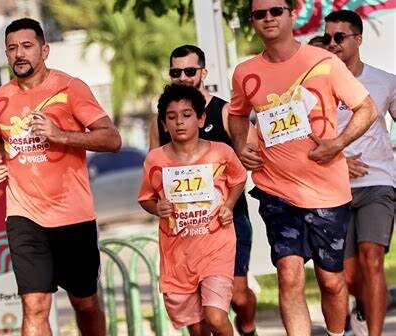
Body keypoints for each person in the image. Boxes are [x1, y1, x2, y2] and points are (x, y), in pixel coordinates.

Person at [227, 0, 378, 335]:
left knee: (332, 281)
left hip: (326, 191)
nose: (268, 18)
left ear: (291, 14)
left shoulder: (323, 62)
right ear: (252, 21)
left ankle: (339, 332)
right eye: (259, 14)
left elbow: (366, 109)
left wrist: (337, 144)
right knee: (289, 276)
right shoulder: (245, 72)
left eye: (275, 11)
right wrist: (241, 146)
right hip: (276, 190)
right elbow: (237, 114)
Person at [0, 18, 121, 336]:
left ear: (44, 50)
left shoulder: (70, 88)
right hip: (24, 217)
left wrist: (61, 135)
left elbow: (112, 139)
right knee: (34, 307)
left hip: (72, 216)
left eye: (27, 46)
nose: (19, 54)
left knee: (85, 304)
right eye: (12, 48)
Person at [149, 44, 258, 335]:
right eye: (176, 72)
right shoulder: (163, 121)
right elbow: (154, 174)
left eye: (189, 70)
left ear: (203, 72)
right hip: (184, 230)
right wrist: (161, 205)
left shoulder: (223, 111)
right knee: (201, 317)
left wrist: (230, 201)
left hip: (228, 220)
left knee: (237, 296)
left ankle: (247, 326)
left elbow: (248, 155)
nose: (182, 76)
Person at [324, 10, 395, 336]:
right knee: (349, 277)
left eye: (339, 37)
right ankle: (363, 306)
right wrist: (338, 159)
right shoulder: (318, 85)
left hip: (378, 181)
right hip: (334, 187)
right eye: (328, 38)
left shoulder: (384, 81)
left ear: (358, 39)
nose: (332, 44)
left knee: (372, 259)